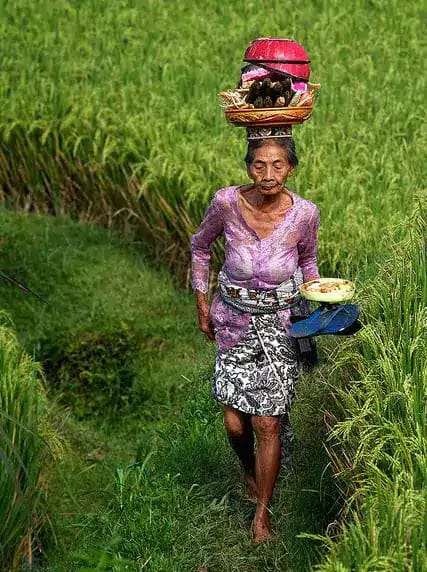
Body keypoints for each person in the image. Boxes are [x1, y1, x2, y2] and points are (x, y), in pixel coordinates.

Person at [190, 128, 320, 544]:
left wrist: (320, 298)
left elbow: (309, 260)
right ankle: (249, 469)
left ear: (291, 168)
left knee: (266, 422)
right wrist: (202, 303)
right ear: (248, 167)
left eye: (278, 165)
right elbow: (199, 247)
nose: (268, 173)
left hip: (280, 324)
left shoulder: (305, 214)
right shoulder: (226, 202)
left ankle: (262, 512)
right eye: (259, 164)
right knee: (234, 425)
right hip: (233, 322)